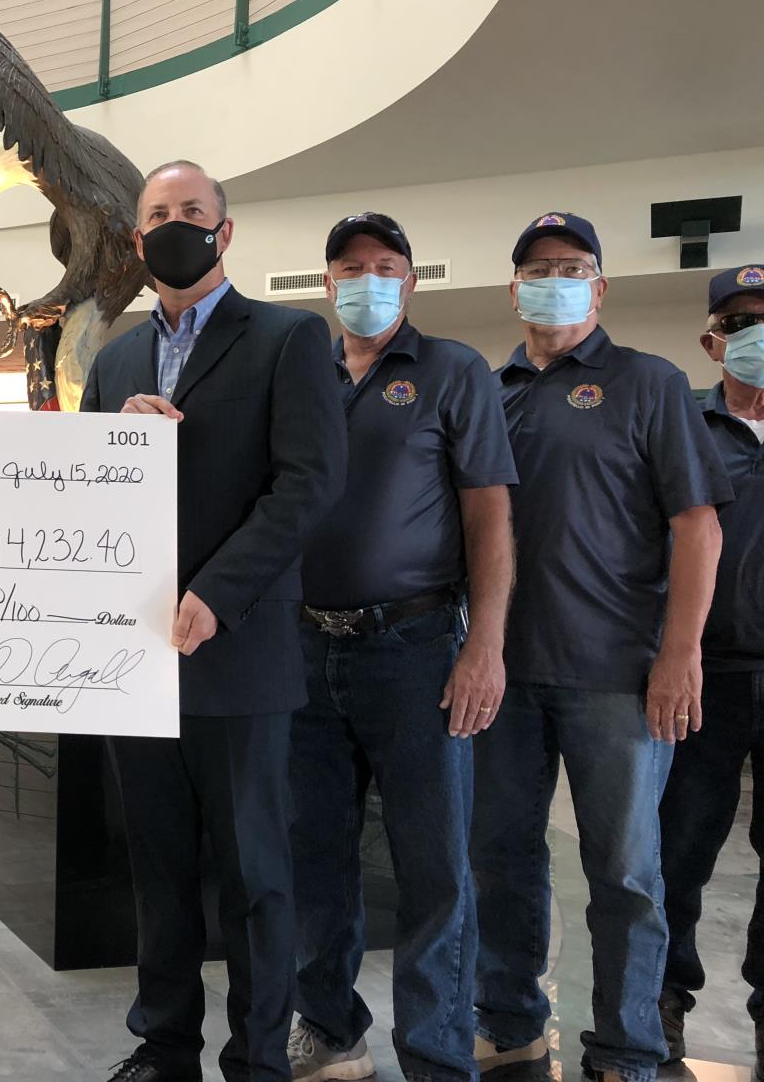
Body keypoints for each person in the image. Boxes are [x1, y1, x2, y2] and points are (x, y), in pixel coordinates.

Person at [82, 160, 346, 1082]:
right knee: (157, 868)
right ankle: (164, 1045)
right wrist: (114, 435)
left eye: (193, 212)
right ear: (136, 238)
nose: (175, 225)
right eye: (159, 214)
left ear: (224, 232)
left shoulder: (287, 338)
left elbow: (308, 484)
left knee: (254, 876)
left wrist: (216, 593)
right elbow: (82, 497)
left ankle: (259, 1056)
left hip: (236, 653)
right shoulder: (113, 359)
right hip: (135, 662)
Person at [472, 213, 730, 1082]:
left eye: (572, 266)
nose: (554, 279)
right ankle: (509, 1022)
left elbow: (697, 528)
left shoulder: (651, 384)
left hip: (617, 676)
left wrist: (681, 651)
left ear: (601, 285)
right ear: (514, 289)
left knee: (625, 874)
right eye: (538, 268)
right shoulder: (486, 388)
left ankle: (626, 1047)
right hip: (500, 676)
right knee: (502, 860)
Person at [288, 213, 516, 1082]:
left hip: (417, 649)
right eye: (351, 267)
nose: (369, 281)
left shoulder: (452, 370)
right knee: (316, 857)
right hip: (305, 652)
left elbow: (490, 514)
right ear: (327, 282)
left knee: (434, 869)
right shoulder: (298, 370)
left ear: (411, 282)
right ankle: (331, 1028)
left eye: (387, 268)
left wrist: (483, 646)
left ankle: (434, 1052)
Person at [656, 264, 764, 1079]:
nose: (753, 333)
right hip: (704, 671)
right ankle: (664, 1002)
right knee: (680, 849)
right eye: (738, 320)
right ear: (711, 339)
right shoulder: (684, 423)